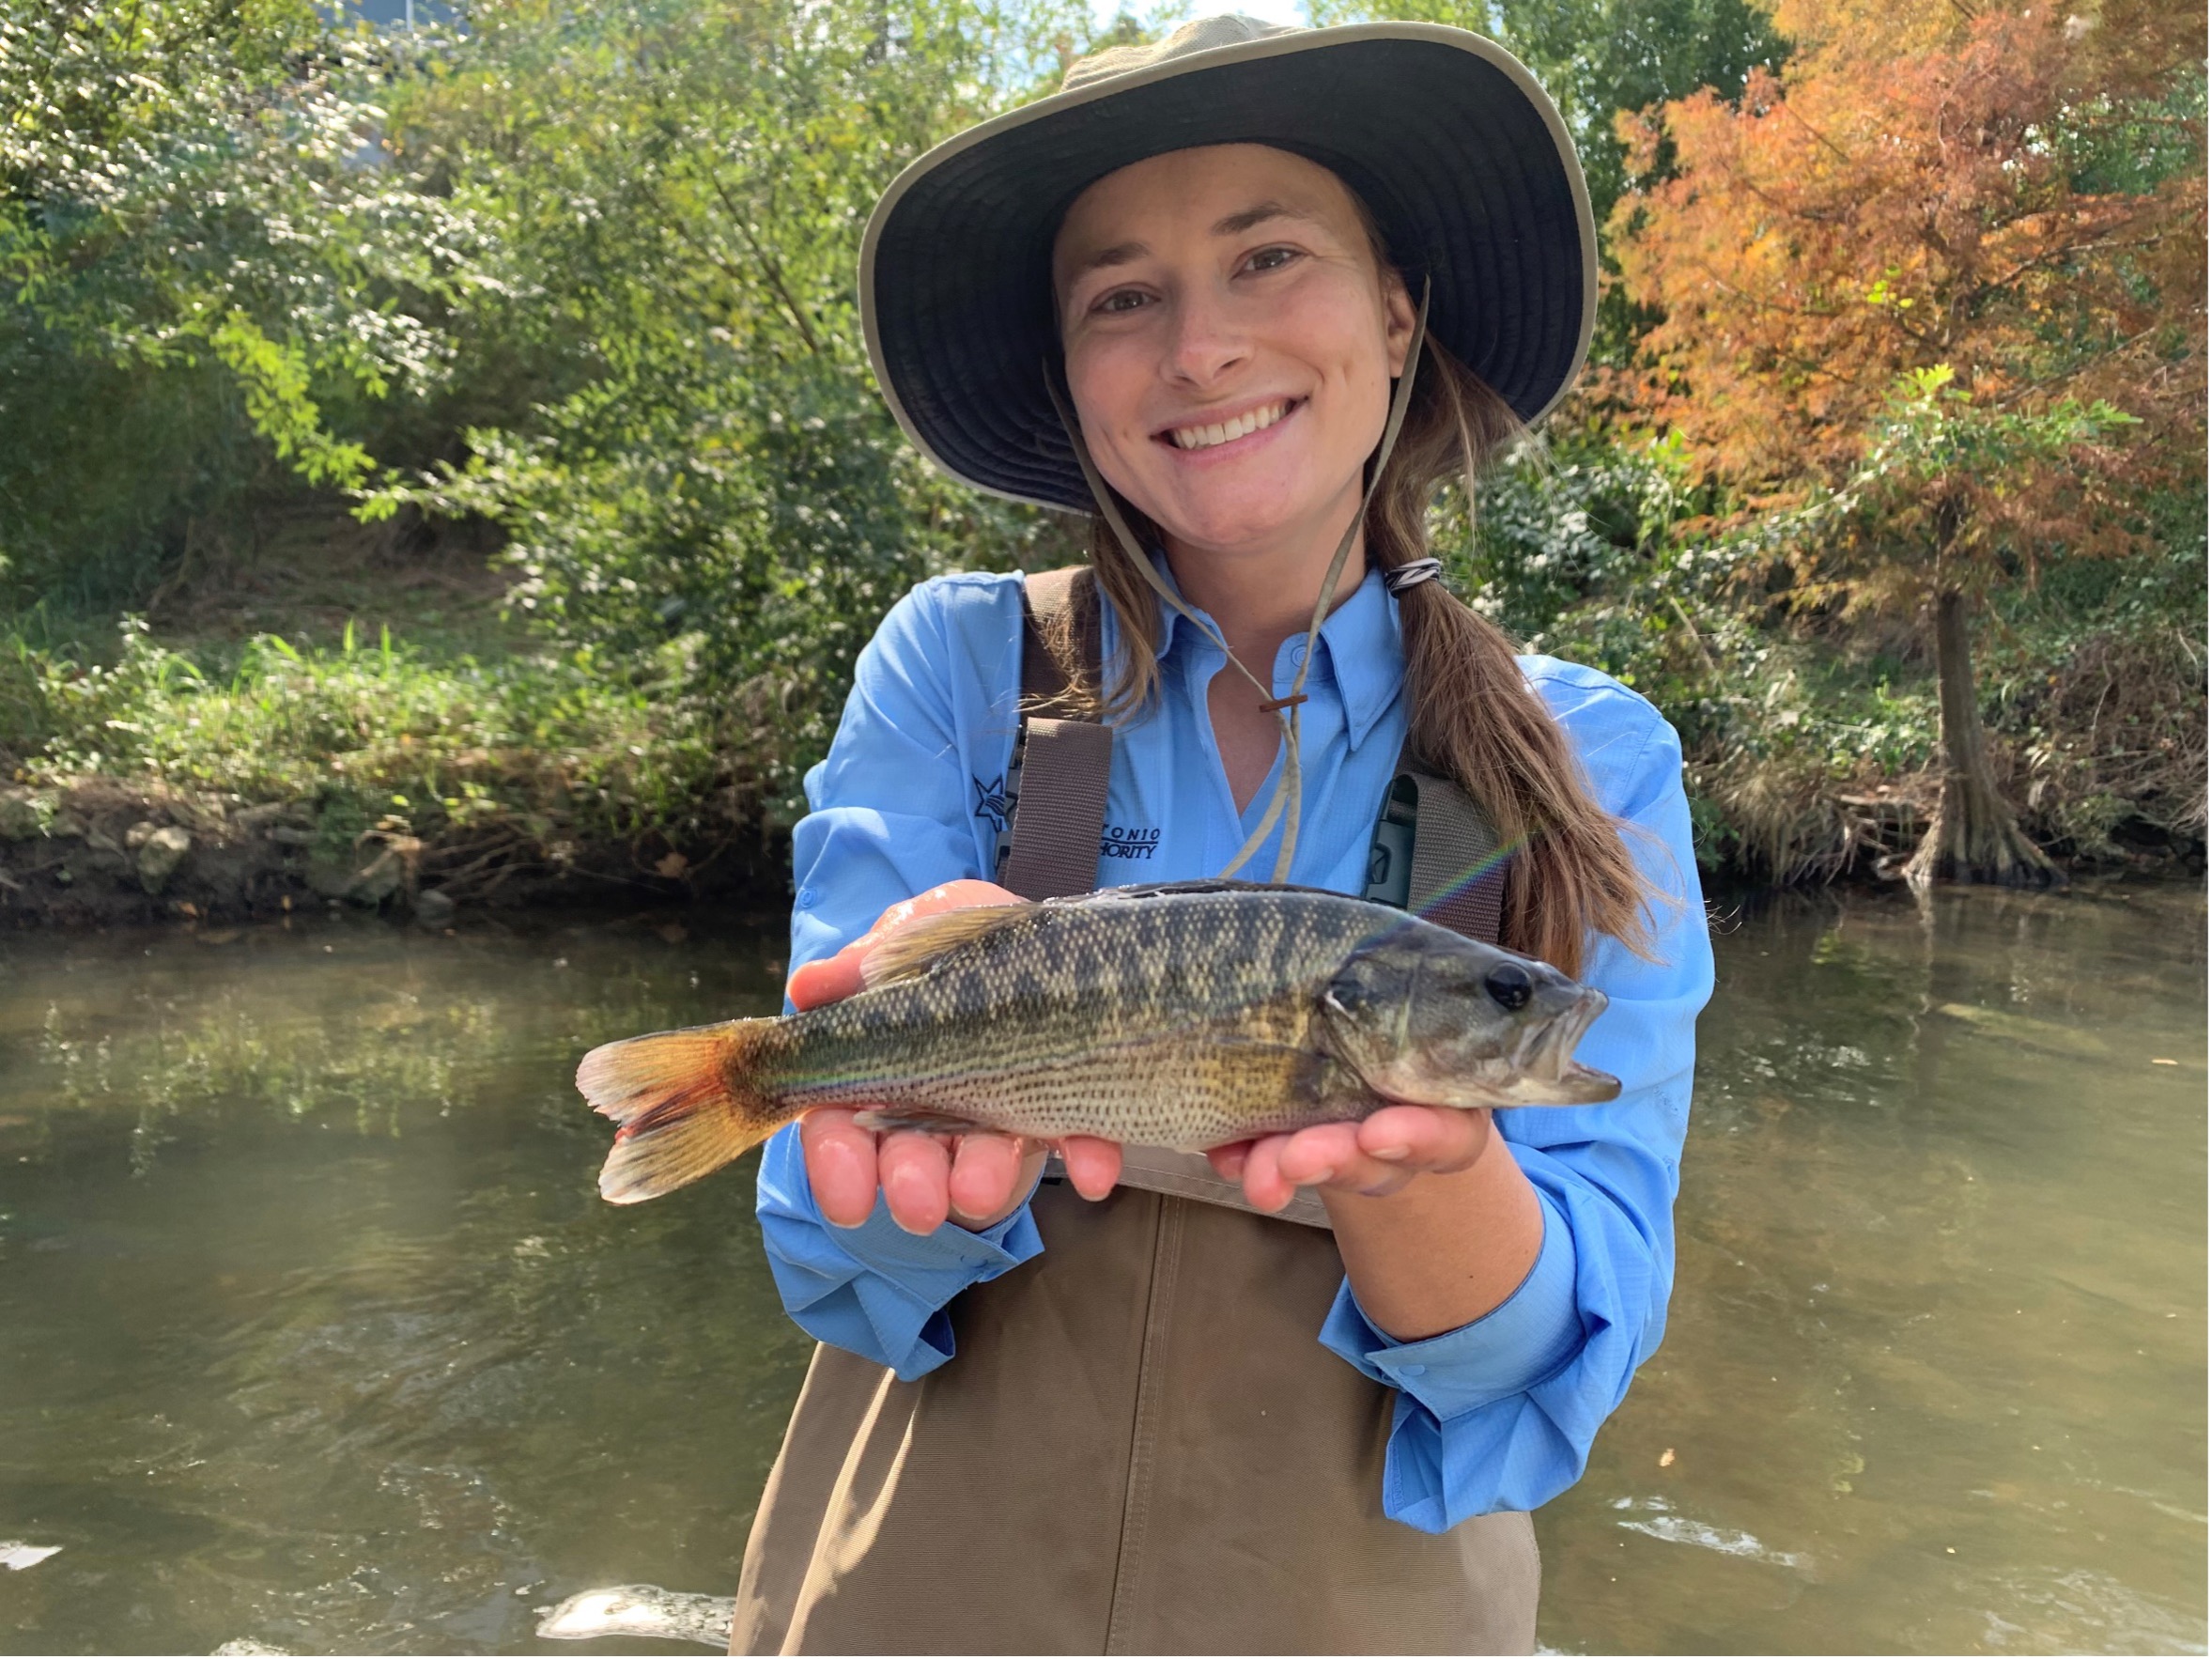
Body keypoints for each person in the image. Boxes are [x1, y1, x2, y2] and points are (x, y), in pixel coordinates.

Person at [731, 16, 1713, 1654]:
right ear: (1070, 366)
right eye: (1124, 295)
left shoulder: (1580, 758)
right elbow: (829, 1250)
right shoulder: (960, 674)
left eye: (1269, 255)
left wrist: (1427, 1171)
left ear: (1395, 314)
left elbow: (1549, 1374)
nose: (1200, 347)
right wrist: (910, 1170)